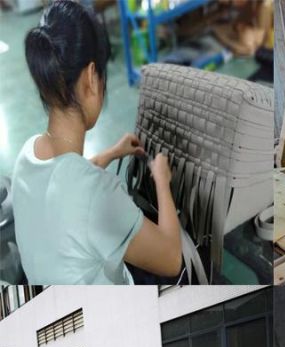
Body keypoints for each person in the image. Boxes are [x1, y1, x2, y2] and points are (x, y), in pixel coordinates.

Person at [11, 0, 181, 284]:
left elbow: (63, 186)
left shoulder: (27, 154)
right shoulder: (96, 195)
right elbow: (172, 259)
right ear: (92, 77)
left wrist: (111, 153)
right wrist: (162, 181)